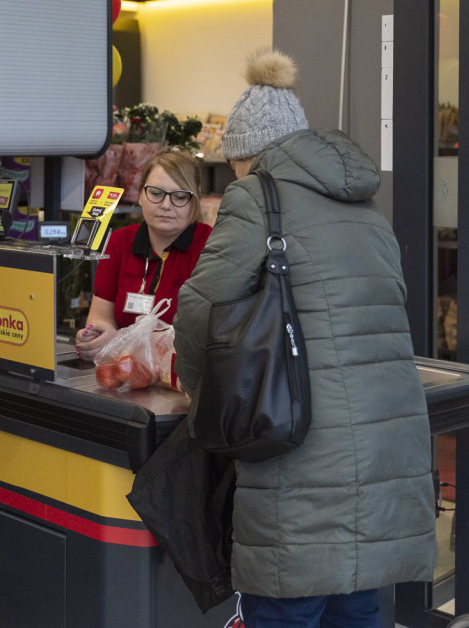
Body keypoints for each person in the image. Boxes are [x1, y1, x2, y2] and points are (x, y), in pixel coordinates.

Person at [173, 49, 437, 627]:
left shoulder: (257, 196)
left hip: (302, 451)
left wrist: (203, 396)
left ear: (249, 156)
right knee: (356, 602)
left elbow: (200, 309)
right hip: (387, 443)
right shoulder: (365, 206)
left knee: (286, 606)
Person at [75, 147, 212, 361]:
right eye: (156, 193)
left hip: (181, 378)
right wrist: (96, 336)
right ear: (140, 195)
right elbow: (101, 317)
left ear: (194, 202)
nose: (166, 205)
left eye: (179, 196)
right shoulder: (119, 242)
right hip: (123, 372)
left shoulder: (211, 246)